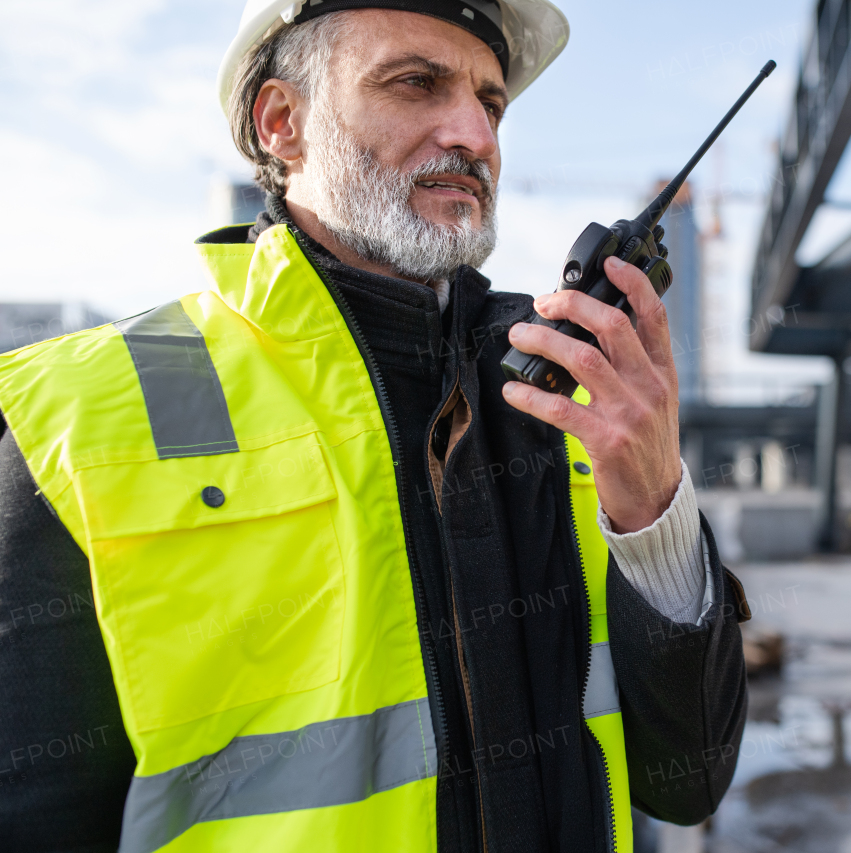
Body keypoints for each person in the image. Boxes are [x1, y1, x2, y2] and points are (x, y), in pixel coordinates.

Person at [0, 2, 748, 851]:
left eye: (492, 104)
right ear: (283, 123)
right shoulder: (75, 414)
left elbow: (686, 782)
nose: (474, 134)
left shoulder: (564, 400)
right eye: (415, 83)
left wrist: (655, 504)